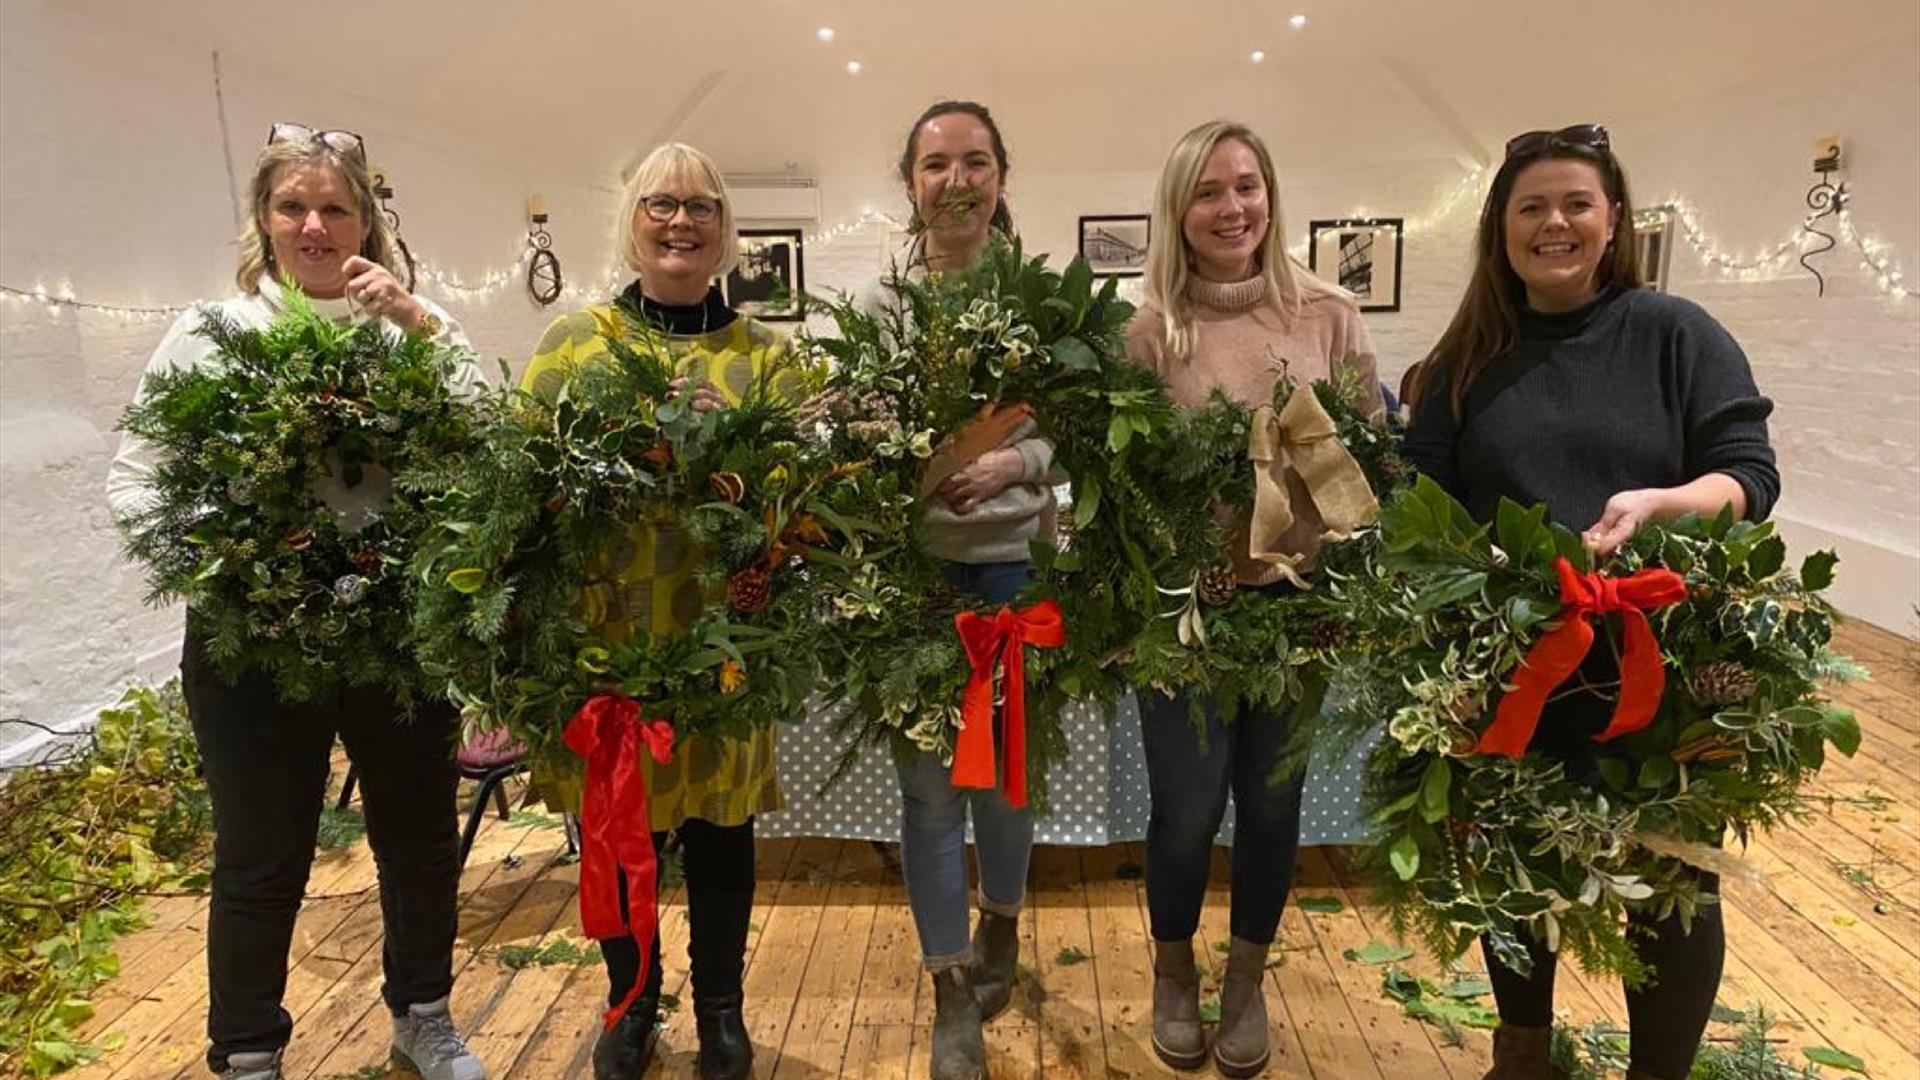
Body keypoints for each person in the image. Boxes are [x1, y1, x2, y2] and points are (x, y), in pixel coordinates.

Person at [106, 124, 486, 1080]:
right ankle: (244, 1050)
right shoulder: (211, 333)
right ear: (264, 221)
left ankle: (424, 1017)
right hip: (254, 639)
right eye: (293, 207)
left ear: (368, 221)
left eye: (335, 207)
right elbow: (141, 474)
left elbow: (488, 433)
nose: (315, 225)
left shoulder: (414, 322)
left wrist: (417, 321)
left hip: (400, 631)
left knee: (420, 842)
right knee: (262, 853)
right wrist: (230, 572)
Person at [1402, 123, 1779, 1080]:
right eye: (1531, 206)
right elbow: (1422, 497)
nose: (1554, 223)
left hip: (1665, 661)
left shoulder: (1675, 334)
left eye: (1576, 203)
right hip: (1514, 660)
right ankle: (1522, 1057)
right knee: (1515, 871)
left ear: (1613, 220)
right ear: (1502, 228)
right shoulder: (1464, 356)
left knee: (1668, 887)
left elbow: (1748, 475)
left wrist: (1663, 506)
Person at [521, 142, 802, 1080]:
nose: (680, 221)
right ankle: (631, 1005)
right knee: (621, 829)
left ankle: (721, 1007)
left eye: (700, 207)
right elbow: (522, 489)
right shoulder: (575, 345)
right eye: (660, 204)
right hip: (611, 639)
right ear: (631, 223)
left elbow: (798, 503)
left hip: (727, 642)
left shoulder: (768, 358)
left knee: (722, 834)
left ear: (725, 232)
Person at [1124, 120, 1383, 1078]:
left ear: (1271, 195)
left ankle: (1247, 979)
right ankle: (1172, 969)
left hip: (1296, 607)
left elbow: (1369, 458)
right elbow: (1121, 484)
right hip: (1186, 612)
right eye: (1208, 192)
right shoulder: (1148, 327)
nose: (1231, 208)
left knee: (1273, 811)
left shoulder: (1328, 312)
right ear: (1178, 210)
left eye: (1248, 186)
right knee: (1186, 813)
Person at [861, 100, 1056, 1080]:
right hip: (915, 584)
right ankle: (948, 989)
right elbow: (855, 433)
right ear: (910, 184)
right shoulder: (880, 306)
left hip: (1018, 573)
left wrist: (1018, 466)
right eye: (936, 164)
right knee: (931, 794)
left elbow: (1078, 417)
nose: (956, 180)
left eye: (975, 160)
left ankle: (1004, 931)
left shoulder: (1038, 300)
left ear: (1001, 178)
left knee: (1008, 783)